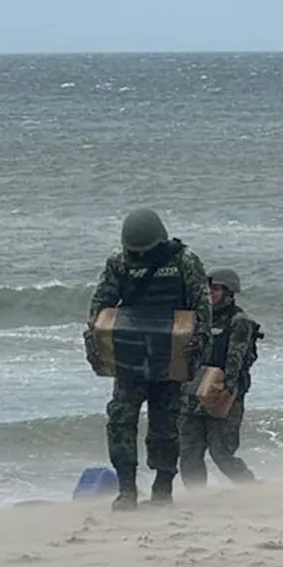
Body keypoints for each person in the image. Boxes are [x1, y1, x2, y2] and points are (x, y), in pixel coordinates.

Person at [87, 208, 211, 511]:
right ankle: (127, 488)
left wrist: (197, 347)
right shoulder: (119, 261)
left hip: (171, 354)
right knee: (120, 419)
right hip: (130, 355)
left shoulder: (184, 260)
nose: (140, 255)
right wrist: (95, 341)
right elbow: (101, 303)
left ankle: (163, 486)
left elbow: (202, 307)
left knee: (166, 424)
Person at [179, 267, 263, 488]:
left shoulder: (239, 321)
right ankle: (196, 496)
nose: (210, 293)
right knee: (189, 452)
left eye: (215, 289)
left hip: (224, 392)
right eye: (208, 289)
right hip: (194, 390)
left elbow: (236, 357)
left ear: (229, 291)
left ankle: (252, 490)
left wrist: (228, 388)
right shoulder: (199, 319)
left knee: (221, 453)